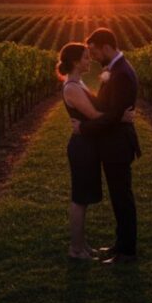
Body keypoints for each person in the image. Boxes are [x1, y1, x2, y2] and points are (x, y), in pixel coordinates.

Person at [58, 42, 135, 261]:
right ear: (75, 62)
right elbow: (93, 114)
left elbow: (100, 109)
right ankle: (75, 249)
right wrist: (121, 117)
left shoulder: (78, 82)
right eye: (84, 57)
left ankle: (82, 244)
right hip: (81, 146)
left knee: (84, 196)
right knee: (79, 198)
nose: (89, 60)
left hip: (88, 144)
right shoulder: (71, 87)